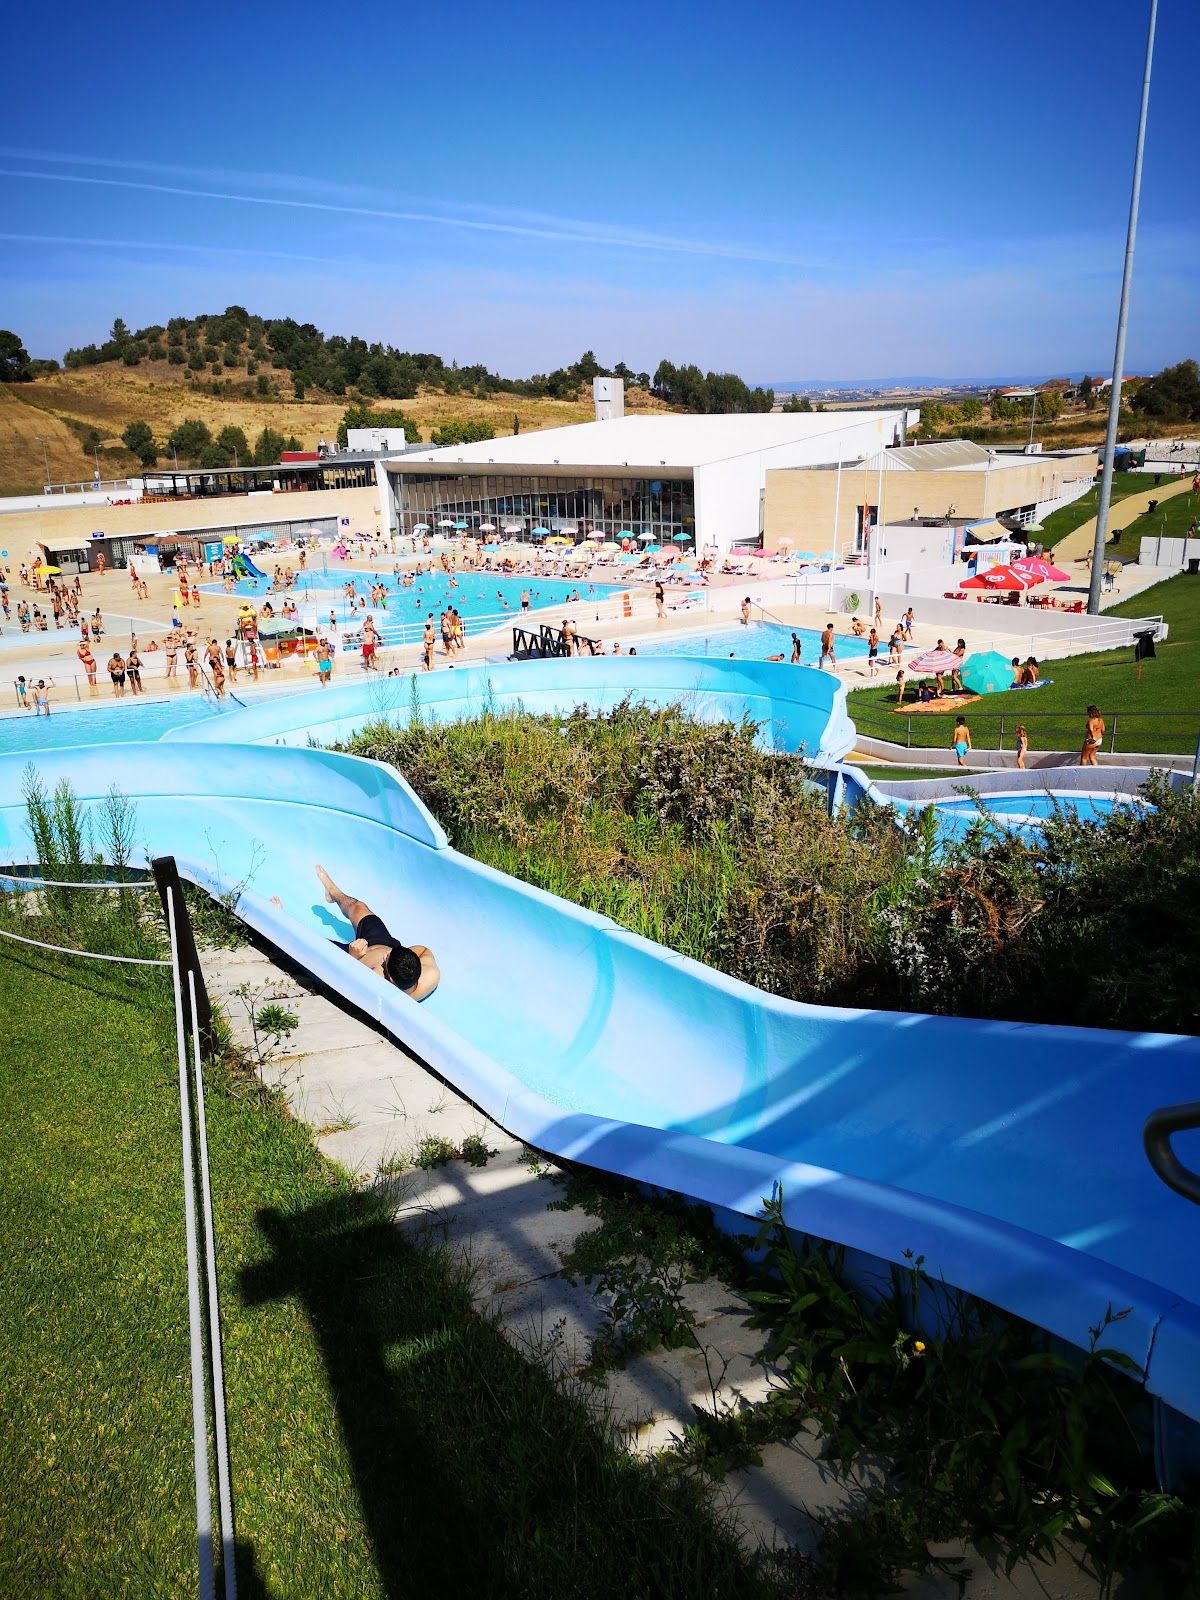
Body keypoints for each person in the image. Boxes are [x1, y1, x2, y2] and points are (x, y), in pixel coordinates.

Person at [310, 863, 439, 1000]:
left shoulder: (375, 983)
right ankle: (333, 893)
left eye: (386, 960)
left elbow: (340, 978)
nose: (385, 956)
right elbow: (423, 950)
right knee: (358, 907)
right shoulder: (430, 975)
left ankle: (284, 921)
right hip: (383, 942)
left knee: (313, 943)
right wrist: (401, 958)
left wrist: (353, 957)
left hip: (354, 957)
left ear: (392, 981)